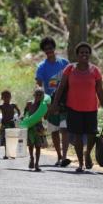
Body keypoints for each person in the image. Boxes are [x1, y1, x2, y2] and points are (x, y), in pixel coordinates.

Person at [51, 42, 103, 173]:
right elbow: (61, 87)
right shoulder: (70, 69)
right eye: (82, 52)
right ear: (77, 55)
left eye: (87, 52)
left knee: (92, 135)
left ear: (90, 55)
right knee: (77, 136)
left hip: (91, 108)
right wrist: (55, 103)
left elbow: (100, 91)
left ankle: (87, 153)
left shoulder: (95, 71)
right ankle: (81, 164)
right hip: (73, 108)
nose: (84, 54)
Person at [35, 37, 71, 167]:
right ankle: (59, 155)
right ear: (44, 51)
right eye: (46, 49)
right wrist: (39, 105)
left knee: (64, 128)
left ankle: (65, 156)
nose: (49, 51)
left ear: (54, 48)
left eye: (50, 48)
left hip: (64, 102)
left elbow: (71, 81)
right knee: (54, 130)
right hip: (50, 103)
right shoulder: (41, 67)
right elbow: (39, 87)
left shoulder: (65, 63)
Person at [24, 87, 48, 172]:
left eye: (40, 95)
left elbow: (45, 117)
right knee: (31, 145)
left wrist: (47, 111)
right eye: (37, 94)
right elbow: (25, 114)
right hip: (30, 127)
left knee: (38, 146)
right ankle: (31, 158)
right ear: (34, 95)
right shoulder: (29, 104)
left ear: (42, 96)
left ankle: (37, 164)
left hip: (39, 127)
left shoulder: (43, 105)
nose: (38, 96)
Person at [0, 90, 21, 159]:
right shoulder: (1, 106)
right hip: (4, 124)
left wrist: (17, 116)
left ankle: (12, 154)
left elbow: (19, 111)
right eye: (5, 97)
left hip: (11, 124)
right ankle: (6, 154)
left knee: (12, 139)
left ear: (10, 97)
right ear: (2, 98)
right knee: (6, 140)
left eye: (8, 97)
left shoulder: (13, 105)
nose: (6, 98)